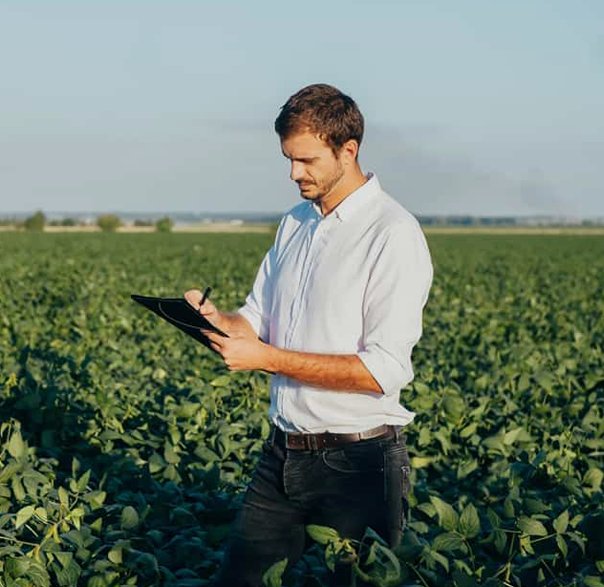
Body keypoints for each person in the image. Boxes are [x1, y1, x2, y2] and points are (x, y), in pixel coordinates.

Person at [185, 83, 433, 586]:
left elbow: (381, 371)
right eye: (288, 160)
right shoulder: (294, 223)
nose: (294, 174)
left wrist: (266, 358)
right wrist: (216, 319)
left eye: (306, 160)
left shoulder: (392, 233)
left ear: (349, 150)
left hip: (358, 464)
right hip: (281, 454)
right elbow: (255, 319)